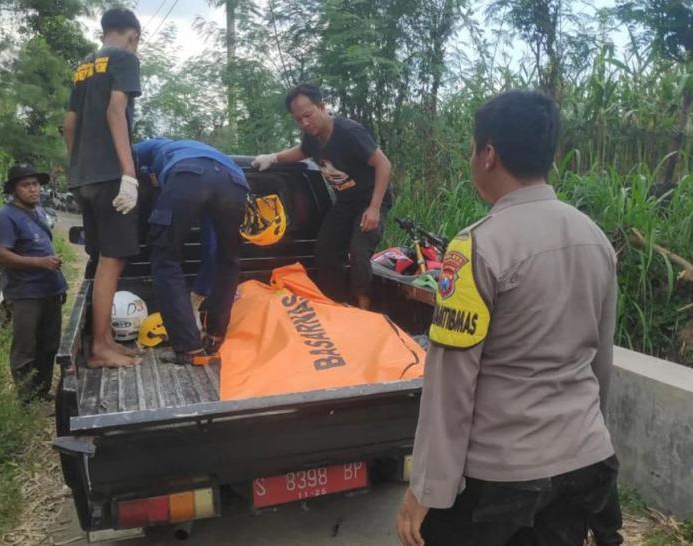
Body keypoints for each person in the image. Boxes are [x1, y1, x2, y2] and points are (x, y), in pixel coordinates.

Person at [396, 90, 623, 546]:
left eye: (472, 149)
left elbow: (451, 383)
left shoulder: (477, 247)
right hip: (585, 459)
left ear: (488, 154)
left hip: (502, 478)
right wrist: (586, 436)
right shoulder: (594, 238)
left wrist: (427, 487)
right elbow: (601, 359)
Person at [252, 83, 392, 309]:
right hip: (346, 202)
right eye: (298, 119)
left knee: (358, 250)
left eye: (308, 115)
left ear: (322, 106)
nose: (305, 123)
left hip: (370, 200)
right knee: (325, 249)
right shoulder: (313, 138)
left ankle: (364, 308)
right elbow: (300, 152)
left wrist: (374, 208)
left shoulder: (348, 132)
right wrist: (274, 157)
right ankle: (337, 303)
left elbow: (383, 164)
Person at [63, 7, 141, 367]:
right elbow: (115, 111)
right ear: (132, 36)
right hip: (111, 176)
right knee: (113, 259)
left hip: (83, 178)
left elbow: (69, 124)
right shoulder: (125, 58)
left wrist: (79, 166)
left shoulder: (83, 66)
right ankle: (99, 347)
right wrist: (129, 174)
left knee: (101, 259)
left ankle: (104, 340)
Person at [133, 138, 248, 364]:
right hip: (235, 181)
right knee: (228, 261)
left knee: (165, 259)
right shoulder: (206, 152)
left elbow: (123, 157)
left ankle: (188, 348)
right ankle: (214, 337)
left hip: (188, 175)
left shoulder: (155, 145)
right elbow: (212, 248)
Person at [0, 163, 67, 402]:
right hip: (25, 292)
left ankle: (42, 390)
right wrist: (40, 263)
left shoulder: (39, 211)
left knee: (49, 344)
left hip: (50, 288)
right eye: (26, 185)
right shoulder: (4, 217)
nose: (34, 189)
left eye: (35, 184)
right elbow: (2, 255)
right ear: (14, 189)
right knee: (26, 348)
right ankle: (26, 398)